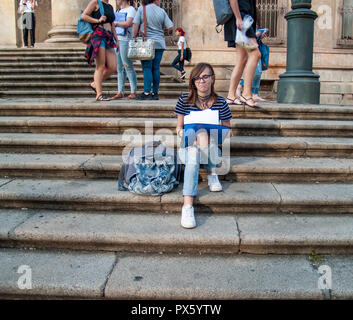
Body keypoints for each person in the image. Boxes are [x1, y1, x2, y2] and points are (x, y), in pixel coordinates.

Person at [174, 63, 233, 229]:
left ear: (212, 79)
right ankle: (187, 206)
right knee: (195, 144)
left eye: (205, 77)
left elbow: (228, 130)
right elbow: (179, 127)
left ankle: (212, 172)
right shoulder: (184, 100)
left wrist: (219, 133)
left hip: (212, 148)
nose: (202, 81)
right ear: (193, 81)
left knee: (204, 134)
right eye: (197, 78)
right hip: (188, 146)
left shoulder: (221, 102)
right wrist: (182, 134)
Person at [132, 0, 174, 100]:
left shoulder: (142, 9)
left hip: (146, 43)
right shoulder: (162, 11)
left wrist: (134, 37)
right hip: (160, 43)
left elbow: (135, 25)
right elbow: (171, 27)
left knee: (147, 67)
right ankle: (155, 93)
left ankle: (147, 93)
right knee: (156, 68)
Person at [224, 0, 261, 108]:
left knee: (242, 59)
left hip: (243, 20)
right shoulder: (240, 18)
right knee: (255, 54)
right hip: (242, 20)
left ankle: (231, 95)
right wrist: (238, 17)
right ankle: (246, 94)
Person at [82, 0, 119, 101]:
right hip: (98, 35)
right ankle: (99, 94)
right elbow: (84, 16)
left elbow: (112, 25)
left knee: (113, 66)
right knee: (100, 66)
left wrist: (117, 39)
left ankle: (95, 84)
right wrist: (98, 21)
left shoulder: (110, 7)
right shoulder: (95, 2)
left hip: (109, 37)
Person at [112, 0, 138, 100]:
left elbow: (128, 23)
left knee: (127, 65)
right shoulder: (118, 11)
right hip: (117, 41)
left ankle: (133, 91)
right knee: (119, 68)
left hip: (125, 40)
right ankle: (120, 91)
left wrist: (116, 23)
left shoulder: (131, 9)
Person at [237, 28, 268, 102]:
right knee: (254, 73)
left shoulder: (252, 25)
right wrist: (258, 34)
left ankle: (255, 94)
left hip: (256, 52)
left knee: (258, 73)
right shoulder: (247, 25)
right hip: (251, 52)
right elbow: (247, 39)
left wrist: (260, 35)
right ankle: (240, 86)